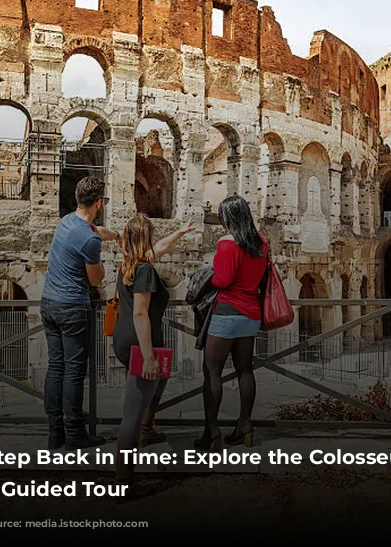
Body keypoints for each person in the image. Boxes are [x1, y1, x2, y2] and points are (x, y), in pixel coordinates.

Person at [113, 213, 195, 494]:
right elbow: (140, 313)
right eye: (153, 235)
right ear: (145, 238)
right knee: (132, 415)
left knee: (150, 391)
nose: (157, 240)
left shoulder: (131, 264)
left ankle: (147, 430)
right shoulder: (146, 271)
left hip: (125, 339)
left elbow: (157, 251)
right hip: (138, 343)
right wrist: (148, 356)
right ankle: (123, 482)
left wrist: (180, 233)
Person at [41, 175, 120, 450]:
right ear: (99, 203)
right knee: (74, 371)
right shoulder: (89, 240)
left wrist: (112, 235)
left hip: (48, 303)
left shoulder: (66, 222)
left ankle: (55, 433)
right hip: (72, 307)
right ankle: (75, 433)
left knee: (56, 368)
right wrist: (101, 254)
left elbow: (91, 233)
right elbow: (96, 279)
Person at [195, 195, 268, 451]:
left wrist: (206, 277)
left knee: (212, 371)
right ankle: (244, 425)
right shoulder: (261, 244)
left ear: (228, 218)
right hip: (251, 313)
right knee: (245, 370)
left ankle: (211, 431)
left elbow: (223, 280)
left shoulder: (228, 243)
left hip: (227, 312)